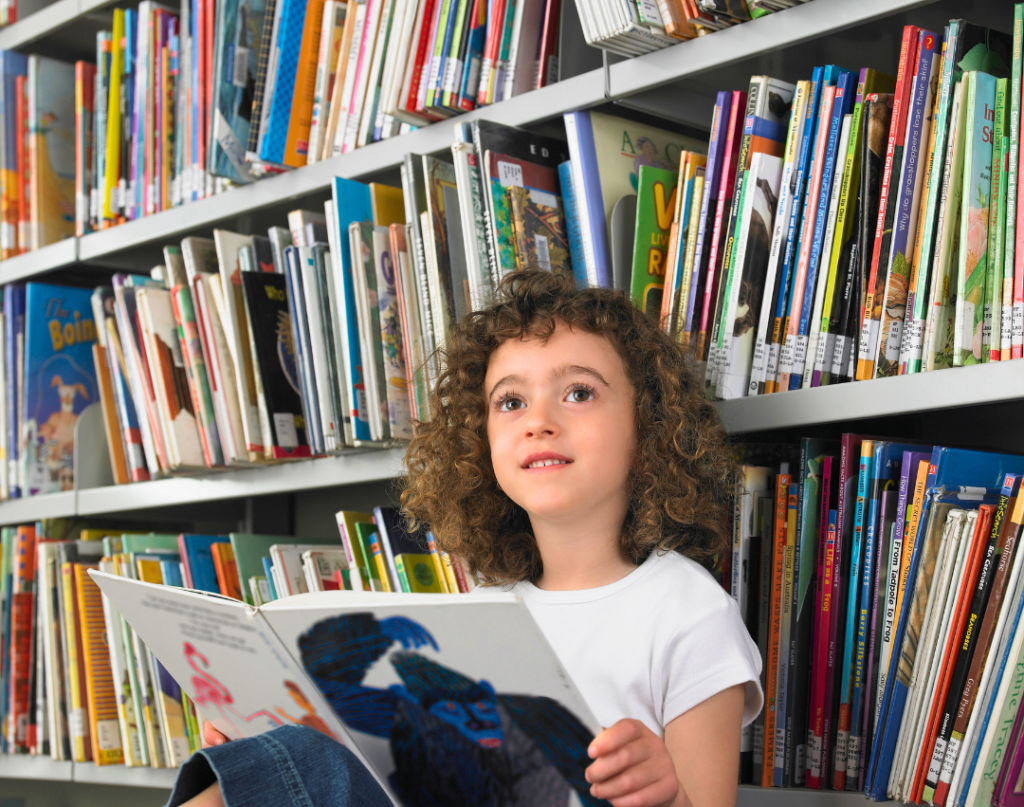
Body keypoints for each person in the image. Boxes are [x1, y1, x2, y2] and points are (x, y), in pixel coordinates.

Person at [169, 269, 762, 807]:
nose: (539, 420)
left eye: (579, 392)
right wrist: (261, 745)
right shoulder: (486, 609)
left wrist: (663, 793)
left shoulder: (688, 612)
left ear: (649, 424)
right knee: (289, 758)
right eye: (510, 402)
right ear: (481, 443)